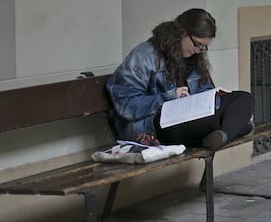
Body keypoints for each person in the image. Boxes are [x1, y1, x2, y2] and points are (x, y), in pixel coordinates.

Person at [106, 8, 255, 150]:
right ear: (182, 32)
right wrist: (169, 97)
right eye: (197, 44)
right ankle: (229, 129)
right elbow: (126, 104)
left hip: (189, 117)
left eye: (203, 48)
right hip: (154, 125)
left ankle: (222, 134)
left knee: (244, 98)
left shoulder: (195, 58)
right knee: (227, 119)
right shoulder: (144, 56)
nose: (198, 50)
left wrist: (212, 97)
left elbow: (205, 91)